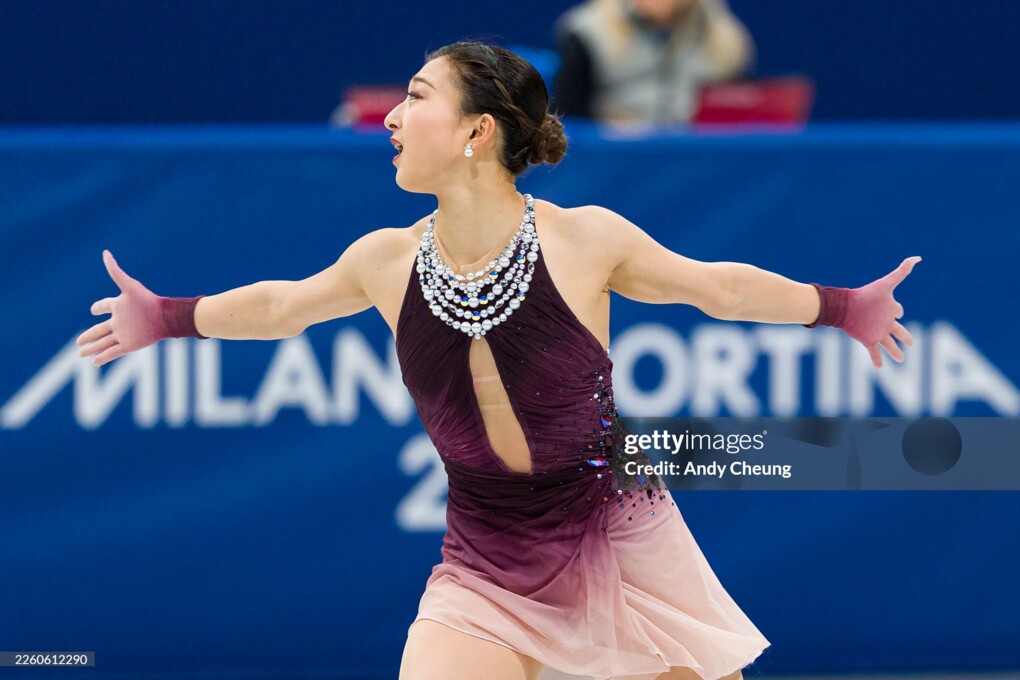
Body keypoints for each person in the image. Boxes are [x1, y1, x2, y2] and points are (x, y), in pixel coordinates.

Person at [75, 41, 920, 680]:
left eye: (416, 97)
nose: (390, 118)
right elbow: (280, 307)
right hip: (485, 559)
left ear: (478, 131)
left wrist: (842, 306)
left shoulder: (584, 241)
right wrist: (167, 317)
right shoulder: (384, 259)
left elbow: (718, 289)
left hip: (618, 538)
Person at [553, 0, 755, 124]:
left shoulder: (725, 39)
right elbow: (568, 118)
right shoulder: (589, 33)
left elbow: (740, 114)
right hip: (615, 162)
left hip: (700, 163)